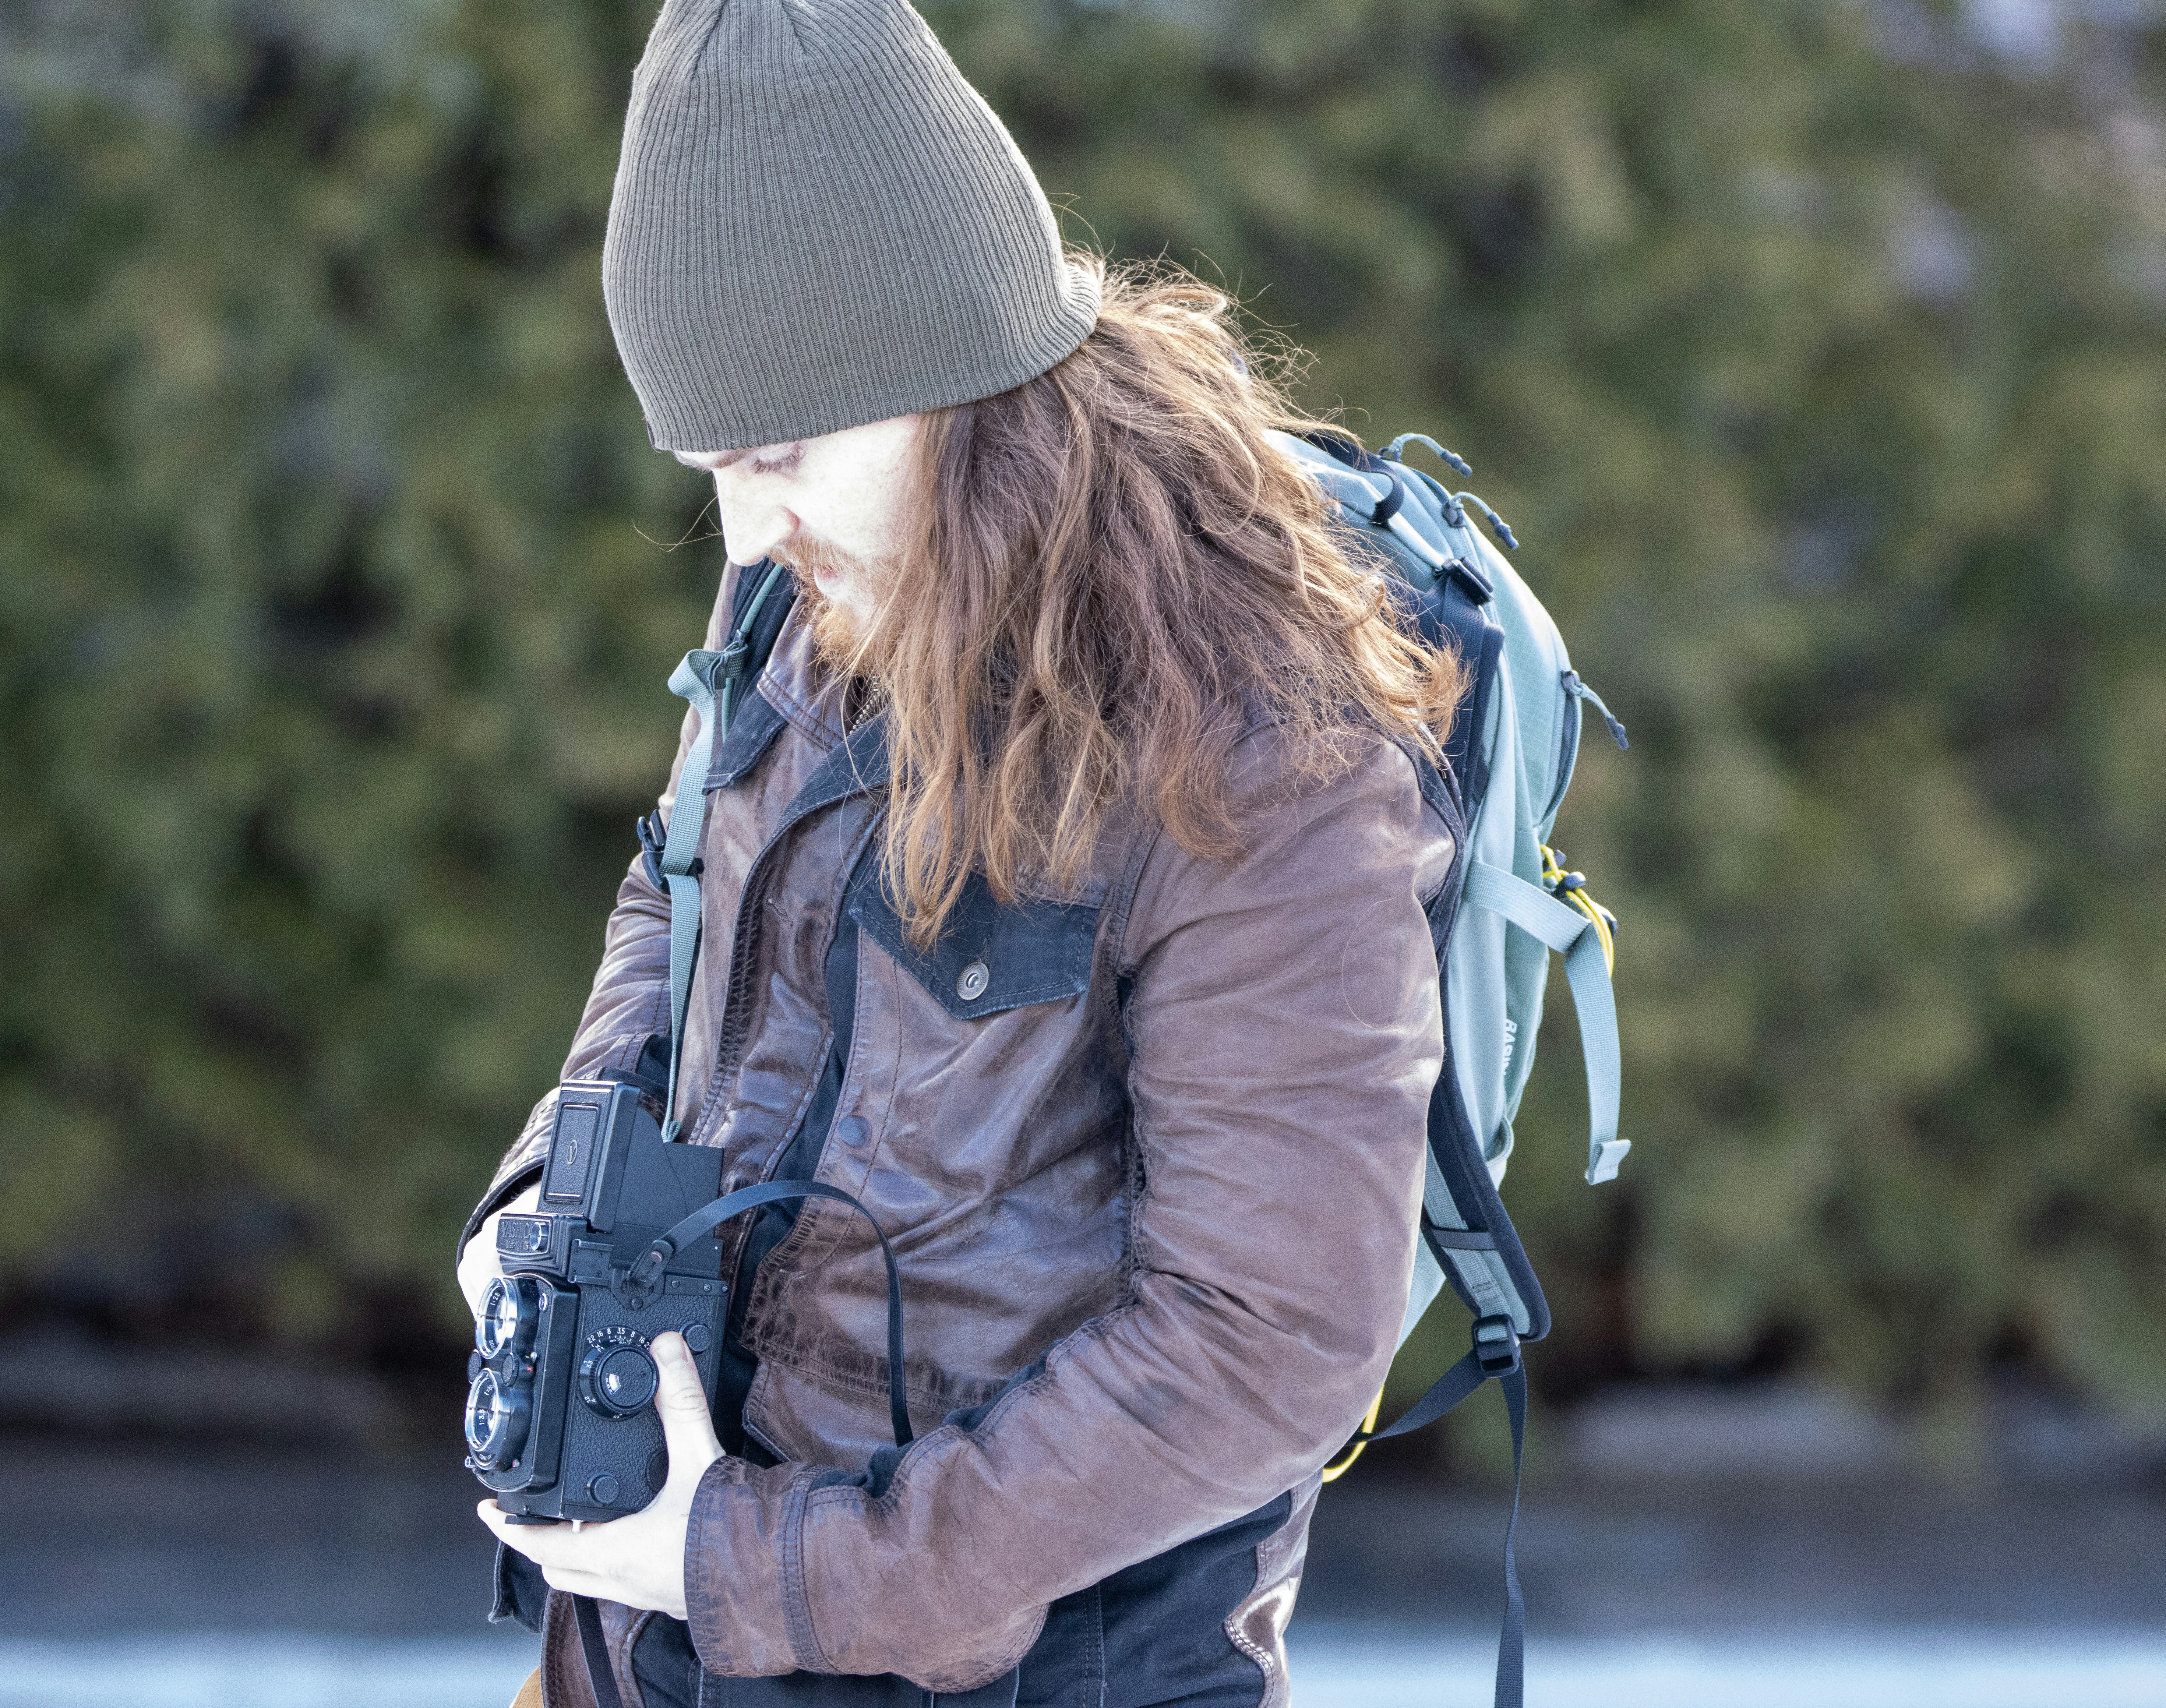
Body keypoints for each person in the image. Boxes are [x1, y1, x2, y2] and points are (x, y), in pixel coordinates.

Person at [456, 2, 1462, 1702]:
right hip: (654, 1644)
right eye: (711, 464)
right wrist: (546, 1196)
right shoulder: (813, 584)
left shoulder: (1260, 745)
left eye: (775, 456)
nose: (743, 527)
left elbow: (1269, 1341)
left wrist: (768, 1569)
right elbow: (676, 887)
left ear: (953, 389)